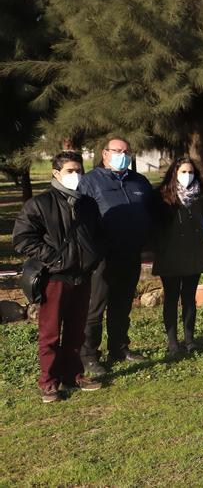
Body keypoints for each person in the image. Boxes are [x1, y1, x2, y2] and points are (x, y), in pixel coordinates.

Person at [12, 151, 104, 402]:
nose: (76, 175)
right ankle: (49, 382)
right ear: (56, 173)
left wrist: (94, 257)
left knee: (76, 330)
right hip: (54, 278)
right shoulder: (40, 204)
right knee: (50, 333)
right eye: (70, 171)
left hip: (82, 276)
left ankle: (73, 374)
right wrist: (54, 258)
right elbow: (22, 238)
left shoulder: (88, 204)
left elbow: (97, 233)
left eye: (79, 170)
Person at [79, 136, 155, 375]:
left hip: (131, 253)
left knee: (122, 305)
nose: (122, 154)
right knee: (95, 308)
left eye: (126, 151)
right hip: (102, 257)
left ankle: (119, 348)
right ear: (105, 154)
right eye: (117, 150)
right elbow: (81, 220)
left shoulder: (139, 182)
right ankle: (89, 355)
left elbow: (152, 212)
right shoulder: (91, 182)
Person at [151, 156, 203, 357]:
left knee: (189, 298)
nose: (187, 176)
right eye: (183, 172)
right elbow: (155, 227)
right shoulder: (161, 197)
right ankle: (173, 343)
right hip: (170, 254)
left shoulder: (200, 197)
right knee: (171, 298)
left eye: (190, 172)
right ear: (174, 173)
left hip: (193, 253)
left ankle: (190, 339)